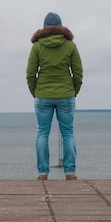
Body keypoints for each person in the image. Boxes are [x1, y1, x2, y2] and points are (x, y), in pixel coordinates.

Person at [26, 12, 83, 180]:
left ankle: (43, 173)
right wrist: (73, 91)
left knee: (42, 133)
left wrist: (35, 92)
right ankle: (70, 172)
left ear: (44, 28)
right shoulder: (70, 45)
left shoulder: (37, 46)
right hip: (66, 95)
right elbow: (78, 72)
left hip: (43, 95)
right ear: (60, 27)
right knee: (68, 133)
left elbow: (30, 73)